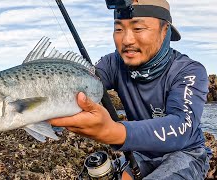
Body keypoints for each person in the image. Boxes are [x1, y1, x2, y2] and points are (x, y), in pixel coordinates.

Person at [49, 0, 212, 179]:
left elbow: (182, 125)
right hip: (140, 153)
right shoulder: (112, 63)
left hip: (186, 153)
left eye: (138, 28)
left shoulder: (189, 71)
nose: (126, 40)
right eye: (119, 29)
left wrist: (113, 131)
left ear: (165, 30)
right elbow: (79, 86)